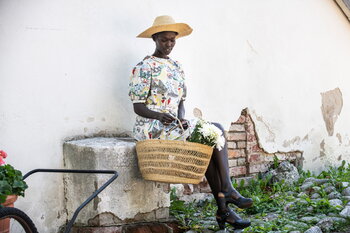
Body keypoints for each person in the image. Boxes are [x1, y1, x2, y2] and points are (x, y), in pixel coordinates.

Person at [129, 15, 252, 230]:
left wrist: (182, 118)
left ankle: (225, 206)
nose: (168, 45)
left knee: (212, 136)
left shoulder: (177, 66)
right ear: (155, 39)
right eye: (164, 40)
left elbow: (181, 102)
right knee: (215, 131)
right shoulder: (144, 67)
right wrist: (159, 115)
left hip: (174, 124)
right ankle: (226, 198)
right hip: (152, 126)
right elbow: (138, 106)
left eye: (172, 40)